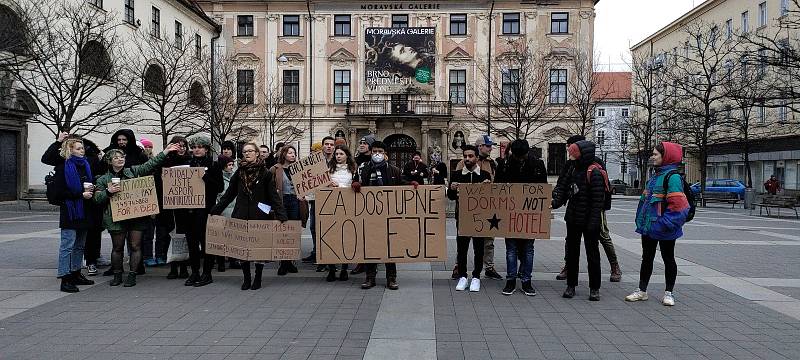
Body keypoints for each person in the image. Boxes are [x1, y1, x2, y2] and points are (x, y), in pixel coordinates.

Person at [93, 142, 180, 287]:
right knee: (117, 247)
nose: (120, 159)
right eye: (116, 158)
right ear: (109, 161)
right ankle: (117, 274)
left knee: (135, 245)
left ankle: (132, 274)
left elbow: (150, 164)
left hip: (135, 216)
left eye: (122, 157)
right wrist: (108, 192)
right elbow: (97, 199)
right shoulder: (103, 179)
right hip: (115, 217)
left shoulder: (133, 171)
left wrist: (165, 152)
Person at [211, 142, 288, 290]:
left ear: (257, 153)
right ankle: (246, 278)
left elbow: (273, 196)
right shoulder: (239, 173)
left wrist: (281, 214)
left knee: (258, 249)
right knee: (242, 248)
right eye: (245, 151)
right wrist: (215, 210)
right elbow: (228, 195)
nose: (247, 154)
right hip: (241, 215)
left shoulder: (265, 173)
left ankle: (257, 278)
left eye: (250, 151)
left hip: (259, 216)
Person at [626, 142, 690, 306]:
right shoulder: (654, 176)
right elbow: (646, 201)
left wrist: (664, 224)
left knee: (668, 258)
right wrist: (641, 220)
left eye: (655, 154)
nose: (652, 157)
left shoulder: (673, 177)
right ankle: (642, 290)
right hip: (648, 227)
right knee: (646, 258)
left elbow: (678, 206)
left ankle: (669, 293)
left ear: (666, 156)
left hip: (664, 228)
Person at [553, 135, 622, 283]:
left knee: (603, 237)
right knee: (572, 247)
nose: (568, 151)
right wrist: (556, 200)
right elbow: (563, 184)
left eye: (571, 147)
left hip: (595, 212)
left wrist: (595, 217)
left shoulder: (595, 166)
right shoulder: (571, 166)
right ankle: (569, 271)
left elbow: (600, 193)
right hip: (575, 214)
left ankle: (614, 265)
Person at [351, 140, 414, 290]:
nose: (377, 154)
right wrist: (355, 184)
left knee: (389, 247)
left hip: (389, 214)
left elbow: (402, 184)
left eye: (380, 151)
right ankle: (369, 277)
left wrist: (412, 184)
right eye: (374, 152)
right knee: (370, 245)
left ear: (385, 154)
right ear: (371, 153)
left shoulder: (394, 170)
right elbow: (356, 182)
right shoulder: (363, 169)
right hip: (369, 214)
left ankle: (391, 278)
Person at [42, 136, 97, 292]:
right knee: (67, 245)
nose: (82, 150)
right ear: (70, 150)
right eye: (78, 148)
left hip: (84, 210)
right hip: (70, 211)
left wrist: (91, 190)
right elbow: (59, 193)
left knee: (80, 245)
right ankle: (65, 278)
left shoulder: (85, 165)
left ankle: (76, 273)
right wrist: (80, 194)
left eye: (82, 148)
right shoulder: (63, 166)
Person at [495, 139, 547, 296]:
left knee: (528, 249)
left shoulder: (537, 164)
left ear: (527, 153)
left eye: (522, 156)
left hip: (530, 214)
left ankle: (526, 281)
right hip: (510, 213)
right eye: (517, 156)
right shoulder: (505, 164)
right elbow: (497, 186)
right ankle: (511, 280)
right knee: (511, 248)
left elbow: (542, 188)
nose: (519, 159)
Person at [557, 140, 607, 301]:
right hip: (573, 219)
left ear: (580, 154)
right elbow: (563, 189)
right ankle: (571, 285)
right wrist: (554, 203)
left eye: (572, 152)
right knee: (572, 254)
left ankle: (594, 288)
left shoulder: (595, 172)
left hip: (589, 221)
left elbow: (597, 202)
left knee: (593, 255)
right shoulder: (573, 169)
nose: (569, 155)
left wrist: (593, 223)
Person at [178, 135, 223, 287]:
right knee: (191, 243)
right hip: (189, 210)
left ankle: (207, 273)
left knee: (205, 243)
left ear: (206, 149)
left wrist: (205, 177)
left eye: (200, 147)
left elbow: (220, 187)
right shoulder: (187, 164)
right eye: (194, 147)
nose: (196, 150)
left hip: (205, 210)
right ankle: (195, 272)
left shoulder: (213, 165)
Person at [454, 135, 501, 280]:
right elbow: (455, 187)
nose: (490, 148)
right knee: (462, 242)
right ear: (480, 147)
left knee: (487, 241)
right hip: (464, 212)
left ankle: (488, 266)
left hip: (484, 209)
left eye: (490, 146)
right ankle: (459, 267)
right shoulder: (462, 164)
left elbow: (496, 186)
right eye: (488, 146)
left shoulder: (492, 164)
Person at [448, 145, 492, 292]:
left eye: (470, 156)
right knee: (462, 248)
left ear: (477, 158)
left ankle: (476, 277)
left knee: (479, 248)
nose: (467, 159)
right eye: (465, 156)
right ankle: (462, 276)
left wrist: (488, 187)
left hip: (480, 218)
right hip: (462, 217)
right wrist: (452, 189)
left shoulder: (485, 175)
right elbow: (451, 197)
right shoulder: (457, 175)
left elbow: (491, 197)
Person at [154, 136, 191, 279]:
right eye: (178, 146)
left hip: (186, 206)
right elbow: (157, 179)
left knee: (184, 235)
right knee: (170, 235)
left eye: (184, 146)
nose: (181, 148)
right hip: (169, 206)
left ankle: (183, 266)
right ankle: (173, 266)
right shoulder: (165, 161)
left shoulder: (190, 161)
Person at [302, 136, 336, 272]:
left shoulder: (337, 160)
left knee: (330, 228)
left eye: (331, 144)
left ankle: (329, 255)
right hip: (317, 199)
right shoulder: (315, 161)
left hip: (333, 200)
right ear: (322, 146)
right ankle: (317, 252)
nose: (329, 146)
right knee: (314, 227)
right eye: (326, 144)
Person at [269, 145, 303, 276]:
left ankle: (289, 262)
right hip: (281, 202)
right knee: (283, 232)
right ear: (283, 154)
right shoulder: (275, 169)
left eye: (294, 152)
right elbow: (270, 187)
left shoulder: (299, 168)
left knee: (292, 232)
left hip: (295, 201)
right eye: (290, 152)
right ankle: (283, 263)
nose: (293, 155)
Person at [325, 145, 357, 282]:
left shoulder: (353, 170)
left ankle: (344, 268)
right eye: (336, 154)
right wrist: (328, 184)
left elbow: (355, 187)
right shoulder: (328, 170)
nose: (338, 156)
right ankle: (331, 268)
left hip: (347, 207)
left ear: (347, 156)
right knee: (331, 238)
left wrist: (341, 187)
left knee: (345, 238)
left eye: (341, 154)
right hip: (331, 207)